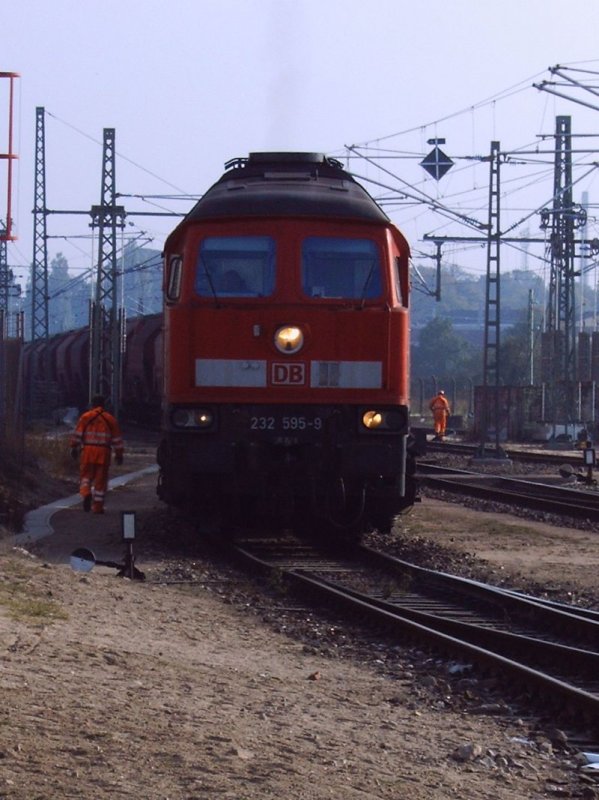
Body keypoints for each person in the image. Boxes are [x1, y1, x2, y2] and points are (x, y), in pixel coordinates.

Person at [70, 394, 124, 514]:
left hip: (88, 451)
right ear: (104, 405)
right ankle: (97, 508)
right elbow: (117, 440)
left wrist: (74, 447)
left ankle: (86, 493)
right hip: (104, 453)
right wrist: (119, 454)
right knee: (101, 481)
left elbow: (78, 434)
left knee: (85, 477)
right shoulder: (110, 419)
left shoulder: (85, 417)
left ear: (92, 405)